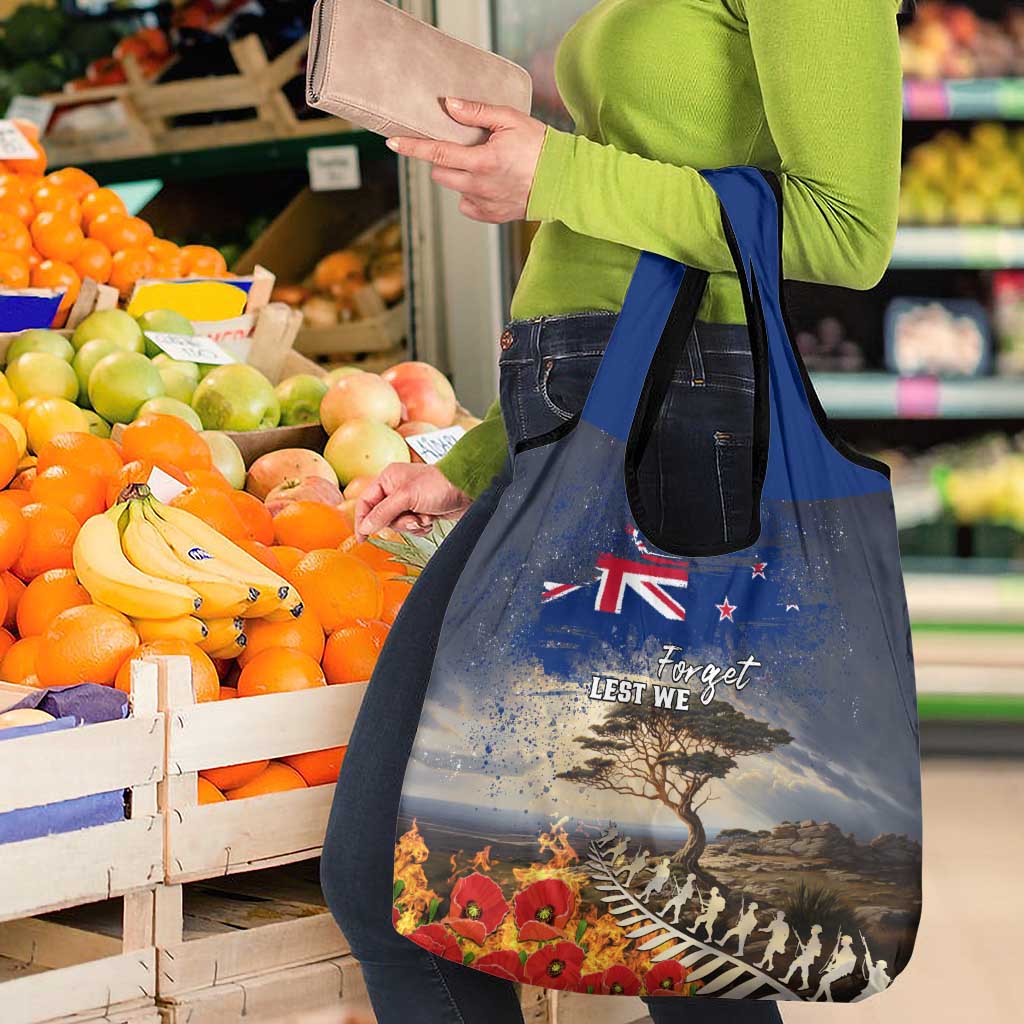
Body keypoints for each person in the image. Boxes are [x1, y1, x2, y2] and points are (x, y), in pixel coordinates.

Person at [321, 2, 904, 1021]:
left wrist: (557, 172)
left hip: (680, 443)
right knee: (595, 917)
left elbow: (847, 230)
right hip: (589, 431)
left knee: (673, 932)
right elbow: (620, 240)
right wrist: (482, 457)